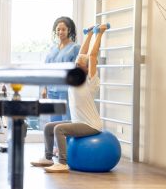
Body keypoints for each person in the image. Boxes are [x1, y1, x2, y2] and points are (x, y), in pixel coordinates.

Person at [31, 23, 108, 173]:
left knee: (59, 129)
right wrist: (89, 34)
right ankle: (48, 158)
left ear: (88, 69)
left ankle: (63, 163)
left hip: (90, 125)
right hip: (78, 121)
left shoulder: (91, 81)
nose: (75, 66)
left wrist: (100, 33)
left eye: (79, 65)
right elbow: (83, 54)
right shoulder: (76, 77)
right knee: (48, 127)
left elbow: (91, 56)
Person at [41, 16, 80, 122]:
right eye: (58, 29)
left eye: (63, 29)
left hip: (66, 90)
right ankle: (55, 139)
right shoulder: (53, 48)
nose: (60, 32)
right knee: (53, 120)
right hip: (52, 90)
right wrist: (44, 87)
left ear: (69, 30)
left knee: (66, 120)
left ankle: (67, 139)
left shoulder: (75, 48)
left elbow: (77, 70)